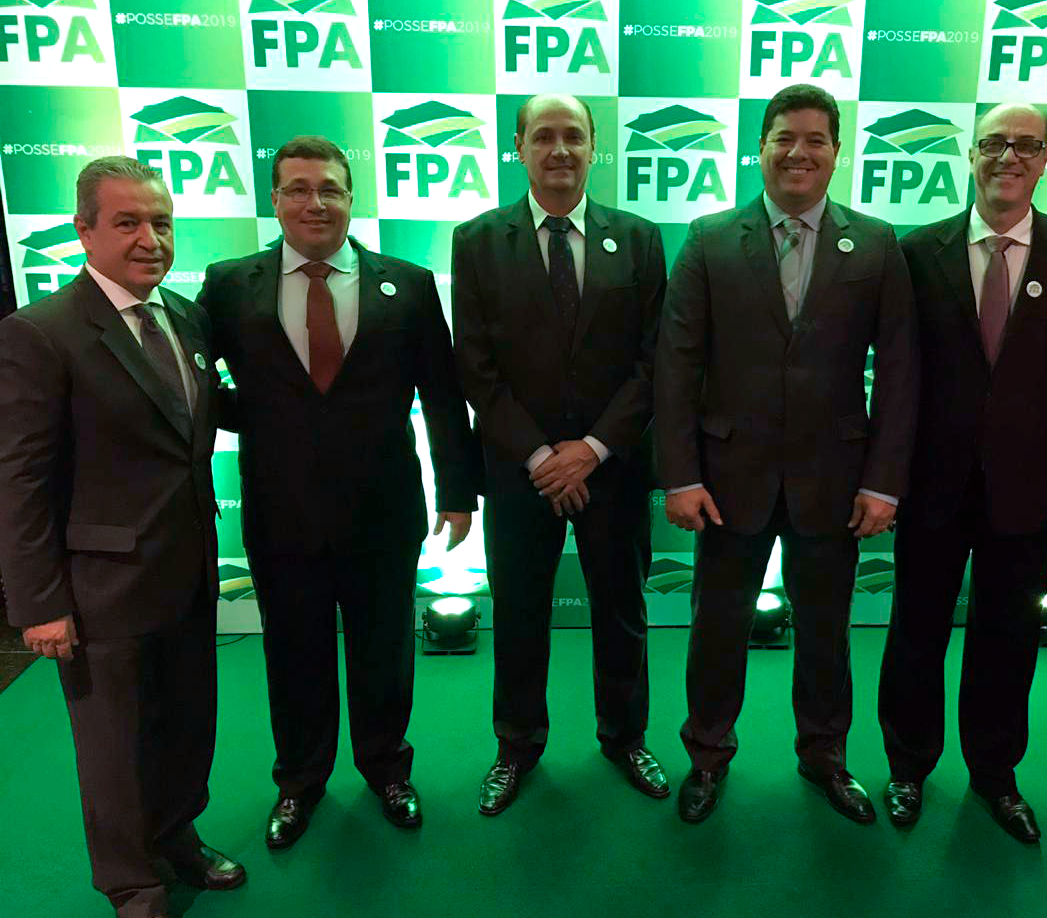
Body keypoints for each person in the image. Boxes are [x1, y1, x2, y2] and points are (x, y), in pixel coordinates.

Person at [197, 135, 478, 848]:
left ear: (352, 199)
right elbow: (193, 385)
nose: (314, 202)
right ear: (275, 200)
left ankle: (387, 770)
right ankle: (299, 783)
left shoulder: (408, 284)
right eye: (297, 188)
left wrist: (458, 492)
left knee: (385, 650)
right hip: (280, 511)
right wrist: (255, 412)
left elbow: (443, 397)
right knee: (294, 653)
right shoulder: (229, 285)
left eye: (329, 188)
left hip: (384, 512)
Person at [656, 83, 918, 824]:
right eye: (784, 138)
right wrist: (679, 475)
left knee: (828, 632)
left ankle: (825, 757)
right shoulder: (709, 238)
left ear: (837, 152)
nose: (799, 152)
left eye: (815, 139)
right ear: (761, 147)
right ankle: (708, 756)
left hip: (834, 481)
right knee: (717, 629)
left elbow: (901, 372)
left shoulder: (876, 243)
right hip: (726, 481)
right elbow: (676, 364)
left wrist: (884, 484)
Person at [0, 156, 242, 918]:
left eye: (161, 222)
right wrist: (38, 604)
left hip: (188, 570)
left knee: (186, 723)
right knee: (113, 749)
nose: (150, 239)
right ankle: (134, 892)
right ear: (84, 231)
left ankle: (177, 839)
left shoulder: (185, 317)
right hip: (99, 589)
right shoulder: (41, 333)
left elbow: (199, 417)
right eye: (128, 222)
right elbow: (21, 480)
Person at [877, 103, 1047, 842]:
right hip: (930, 485)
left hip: (1029, 488)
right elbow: (898, 378)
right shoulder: (917, 251)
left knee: (1008, 637)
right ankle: (908, 765)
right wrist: (884, 476)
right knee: (916, 630)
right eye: (994, 143)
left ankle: (994, 776)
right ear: (971, 155)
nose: (1009, 157)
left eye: (1026, 146)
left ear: (1045, 160)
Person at [452, 93, 669, 815]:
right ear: (518, 146)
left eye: (573, 135)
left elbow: (654, 361)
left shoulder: (637, 239)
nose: (559, 149)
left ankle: (626, 737)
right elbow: (475, 366)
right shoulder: (477, 241)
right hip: (521, 473)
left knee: (622, 611)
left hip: (613, 467)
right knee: (519, 614)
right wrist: (543, 458)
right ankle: (516, 747)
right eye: (543, 136)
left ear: (593, 146)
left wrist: (593, 450)